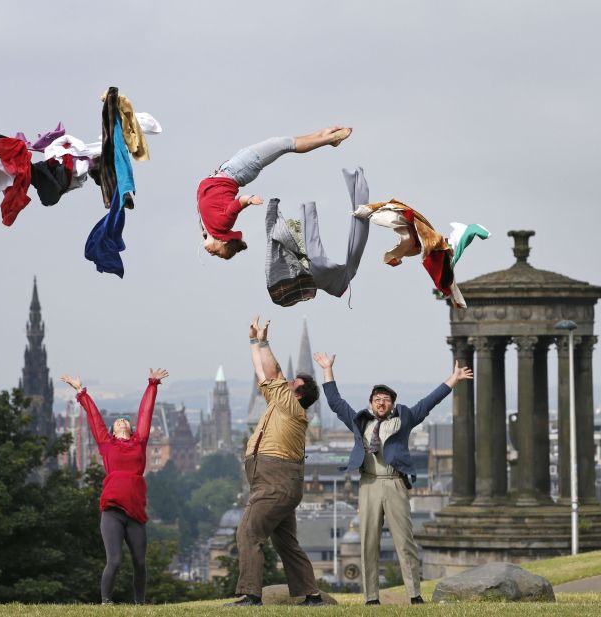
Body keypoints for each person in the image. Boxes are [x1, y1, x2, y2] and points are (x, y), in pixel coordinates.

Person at [312, 352, 473, 605]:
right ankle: (371, 597)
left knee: (404, 540)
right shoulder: (359, 422)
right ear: (370, 403)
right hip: (368, 483)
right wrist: (327, 370)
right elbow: (335, 402)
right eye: (377, 399)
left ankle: (414, 594)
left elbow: (428, 402)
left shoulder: (405, 418)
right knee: (368, 541)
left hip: (395, 481)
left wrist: (452, 379)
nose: (381, 403)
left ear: (393, 404)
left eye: (386, 399)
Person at [226, 316, 323, 607]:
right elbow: (263, 374)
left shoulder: (292, 407)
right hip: (275, 482)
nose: (285, 382)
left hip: (274, 482)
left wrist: (265, 341)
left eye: (292, 383)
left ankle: (251, 595)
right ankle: (312, 595)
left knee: (248, 533)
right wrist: (254, 342)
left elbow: (274, 370)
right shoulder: (281, 404)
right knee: (285, 543)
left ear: (299, 393)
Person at [60, 368, 169, 605]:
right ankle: (106, 601)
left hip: (135, 513)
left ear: (130, 429)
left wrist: (152, 385)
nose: (121, 421)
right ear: (112, 430)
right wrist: (81, 392)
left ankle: (140, 603)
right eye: (118, 421)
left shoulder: (139, 443)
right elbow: (95, 418)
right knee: (115, 560)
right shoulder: (106, 444)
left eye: (124, 421)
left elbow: (145, 415)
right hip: (112, 512)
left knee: (140, 562)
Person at [198, 127, 352, 260]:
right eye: (217, 253)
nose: (212, 254)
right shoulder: (222, 225)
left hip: (231, 169)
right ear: (223, 241)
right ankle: (330, 138)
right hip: (238, 171)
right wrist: (250, 200)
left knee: (283, 144)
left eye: (217, 253)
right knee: (284, 144)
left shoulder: (208, 229)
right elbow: (238, 204)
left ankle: (324, 136)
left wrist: (209, 237)